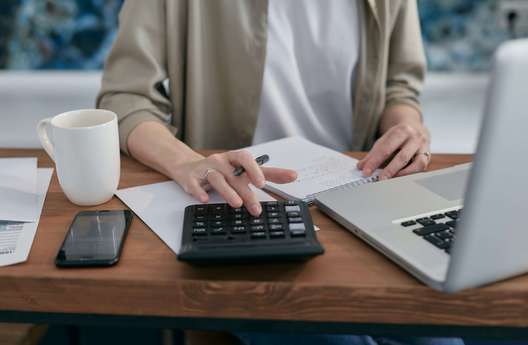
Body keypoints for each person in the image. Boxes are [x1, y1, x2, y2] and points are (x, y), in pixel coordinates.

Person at [97, 1, 460, 344]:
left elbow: (400, 87)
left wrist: (408, 128)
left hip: (357, 200)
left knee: (439, 336)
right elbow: (126, 98)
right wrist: (188, 161)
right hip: (242, 207)